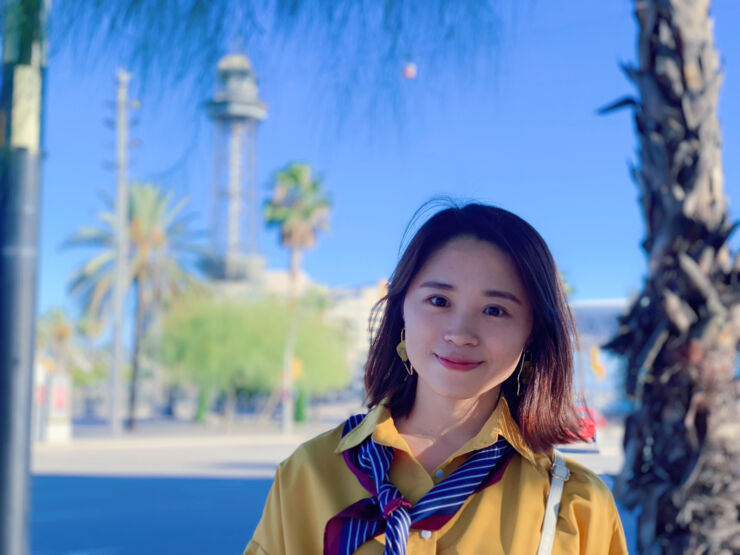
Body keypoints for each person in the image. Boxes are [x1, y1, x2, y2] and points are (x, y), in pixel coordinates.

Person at [245, 202, 628, 554]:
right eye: (439, 301)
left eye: (495, 310)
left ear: (532, 333)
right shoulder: (308, 473)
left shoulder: (577, 505)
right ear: (402, 312)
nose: (461, 333)